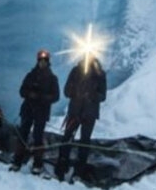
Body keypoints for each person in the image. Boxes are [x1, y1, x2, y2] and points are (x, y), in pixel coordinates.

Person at [56, 53, 107, 182]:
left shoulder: (99, 74)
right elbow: (66, 91)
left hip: (88, 114)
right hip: (76, 112)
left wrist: (91, 95)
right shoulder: (76, 71)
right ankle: (62, 168)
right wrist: (76, 91)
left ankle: (78, 171)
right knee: (67, 138)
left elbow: (103, 95)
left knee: (84, 141)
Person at [11, 49, 60, 174]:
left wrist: (43, 98)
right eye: (40, 60)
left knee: (38, 137)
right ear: (38, 61)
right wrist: (30, 94)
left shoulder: (52, 78)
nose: (42, 63)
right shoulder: (30, 75)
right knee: (23, 135)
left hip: (41, 111)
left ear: (48, 62)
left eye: (45, 61)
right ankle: (17, 161)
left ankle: (37, 164)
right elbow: (22, 91)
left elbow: (56, 96)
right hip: (28, 109)